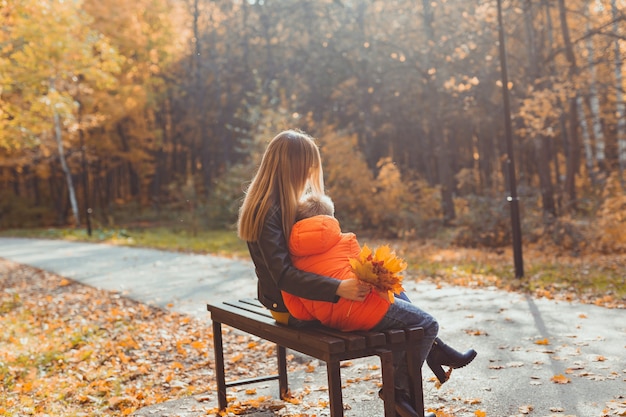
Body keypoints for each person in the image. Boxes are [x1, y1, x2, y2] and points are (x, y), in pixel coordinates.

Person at [237, 129, 473, 417]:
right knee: (419, 324)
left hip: (301, 298)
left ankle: (429, 354)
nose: (311, 171)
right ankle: (402, 386)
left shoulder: (277, 201)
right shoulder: (269, 211)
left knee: (387, 287)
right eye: (308, 165)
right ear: (293, 166)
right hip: (291, 307)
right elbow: (284, 277)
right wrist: (339, 288)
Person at [284, 193, 476, 385]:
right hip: (359, 309)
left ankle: (436, 352)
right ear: (331, 218)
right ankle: (400, 392)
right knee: (427, 325)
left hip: (330, 318)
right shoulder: (347, 240)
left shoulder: (291, 255)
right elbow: (365, 279)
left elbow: (300, 311)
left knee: (396, 292)